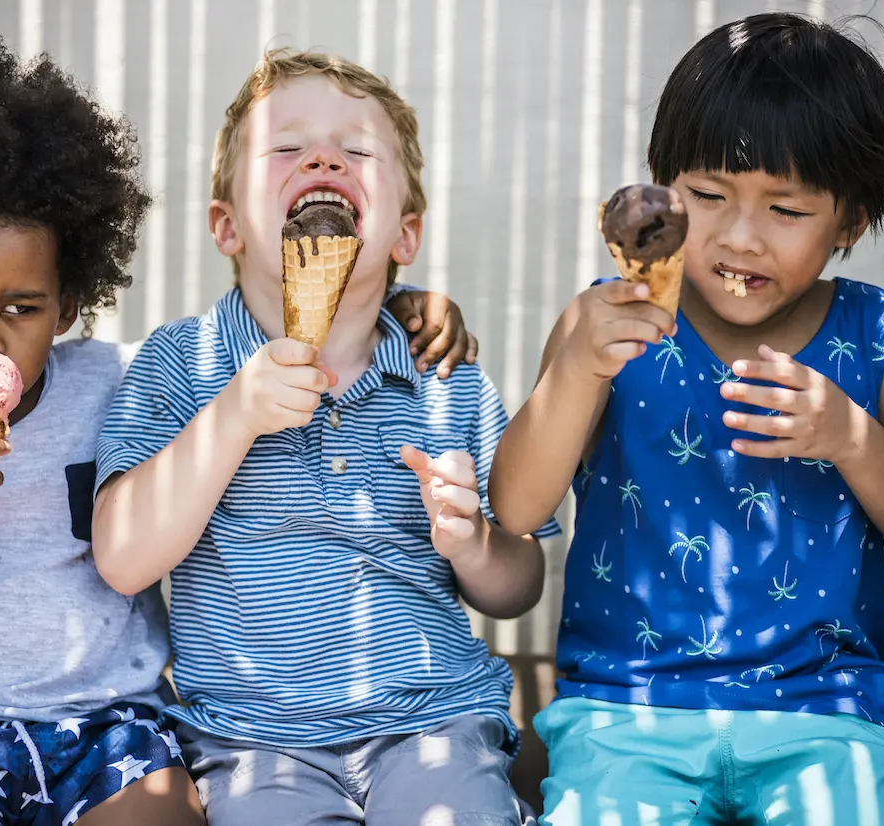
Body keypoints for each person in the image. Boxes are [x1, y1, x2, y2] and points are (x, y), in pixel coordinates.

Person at [0, 34, 471, 826]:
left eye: (22, 307)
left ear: (69, 304)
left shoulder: (120, 377)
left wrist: (397, 305)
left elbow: (251, 346)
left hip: (108, 726)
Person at [489, 13, 884, 824]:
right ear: (661, 187)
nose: (739, 237)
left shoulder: (873, 336)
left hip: (827, 716)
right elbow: (516, 508)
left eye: (786, 211)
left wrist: (855, 441)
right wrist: (575, 371)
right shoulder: (606, 323)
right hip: (626, 713)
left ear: (850, 221)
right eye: (708, 196)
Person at [92, 49, 559, 826]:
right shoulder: (180, 365)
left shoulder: (448, 379)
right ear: (225, 226)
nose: (322, 156)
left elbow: (517, 588)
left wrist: (474, 541)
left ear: (404, 234)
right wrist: (233, 416)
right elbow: (122, 556)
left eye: (358, 149)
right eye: (285, 146)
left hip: (434, 719)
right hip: (250, 741)